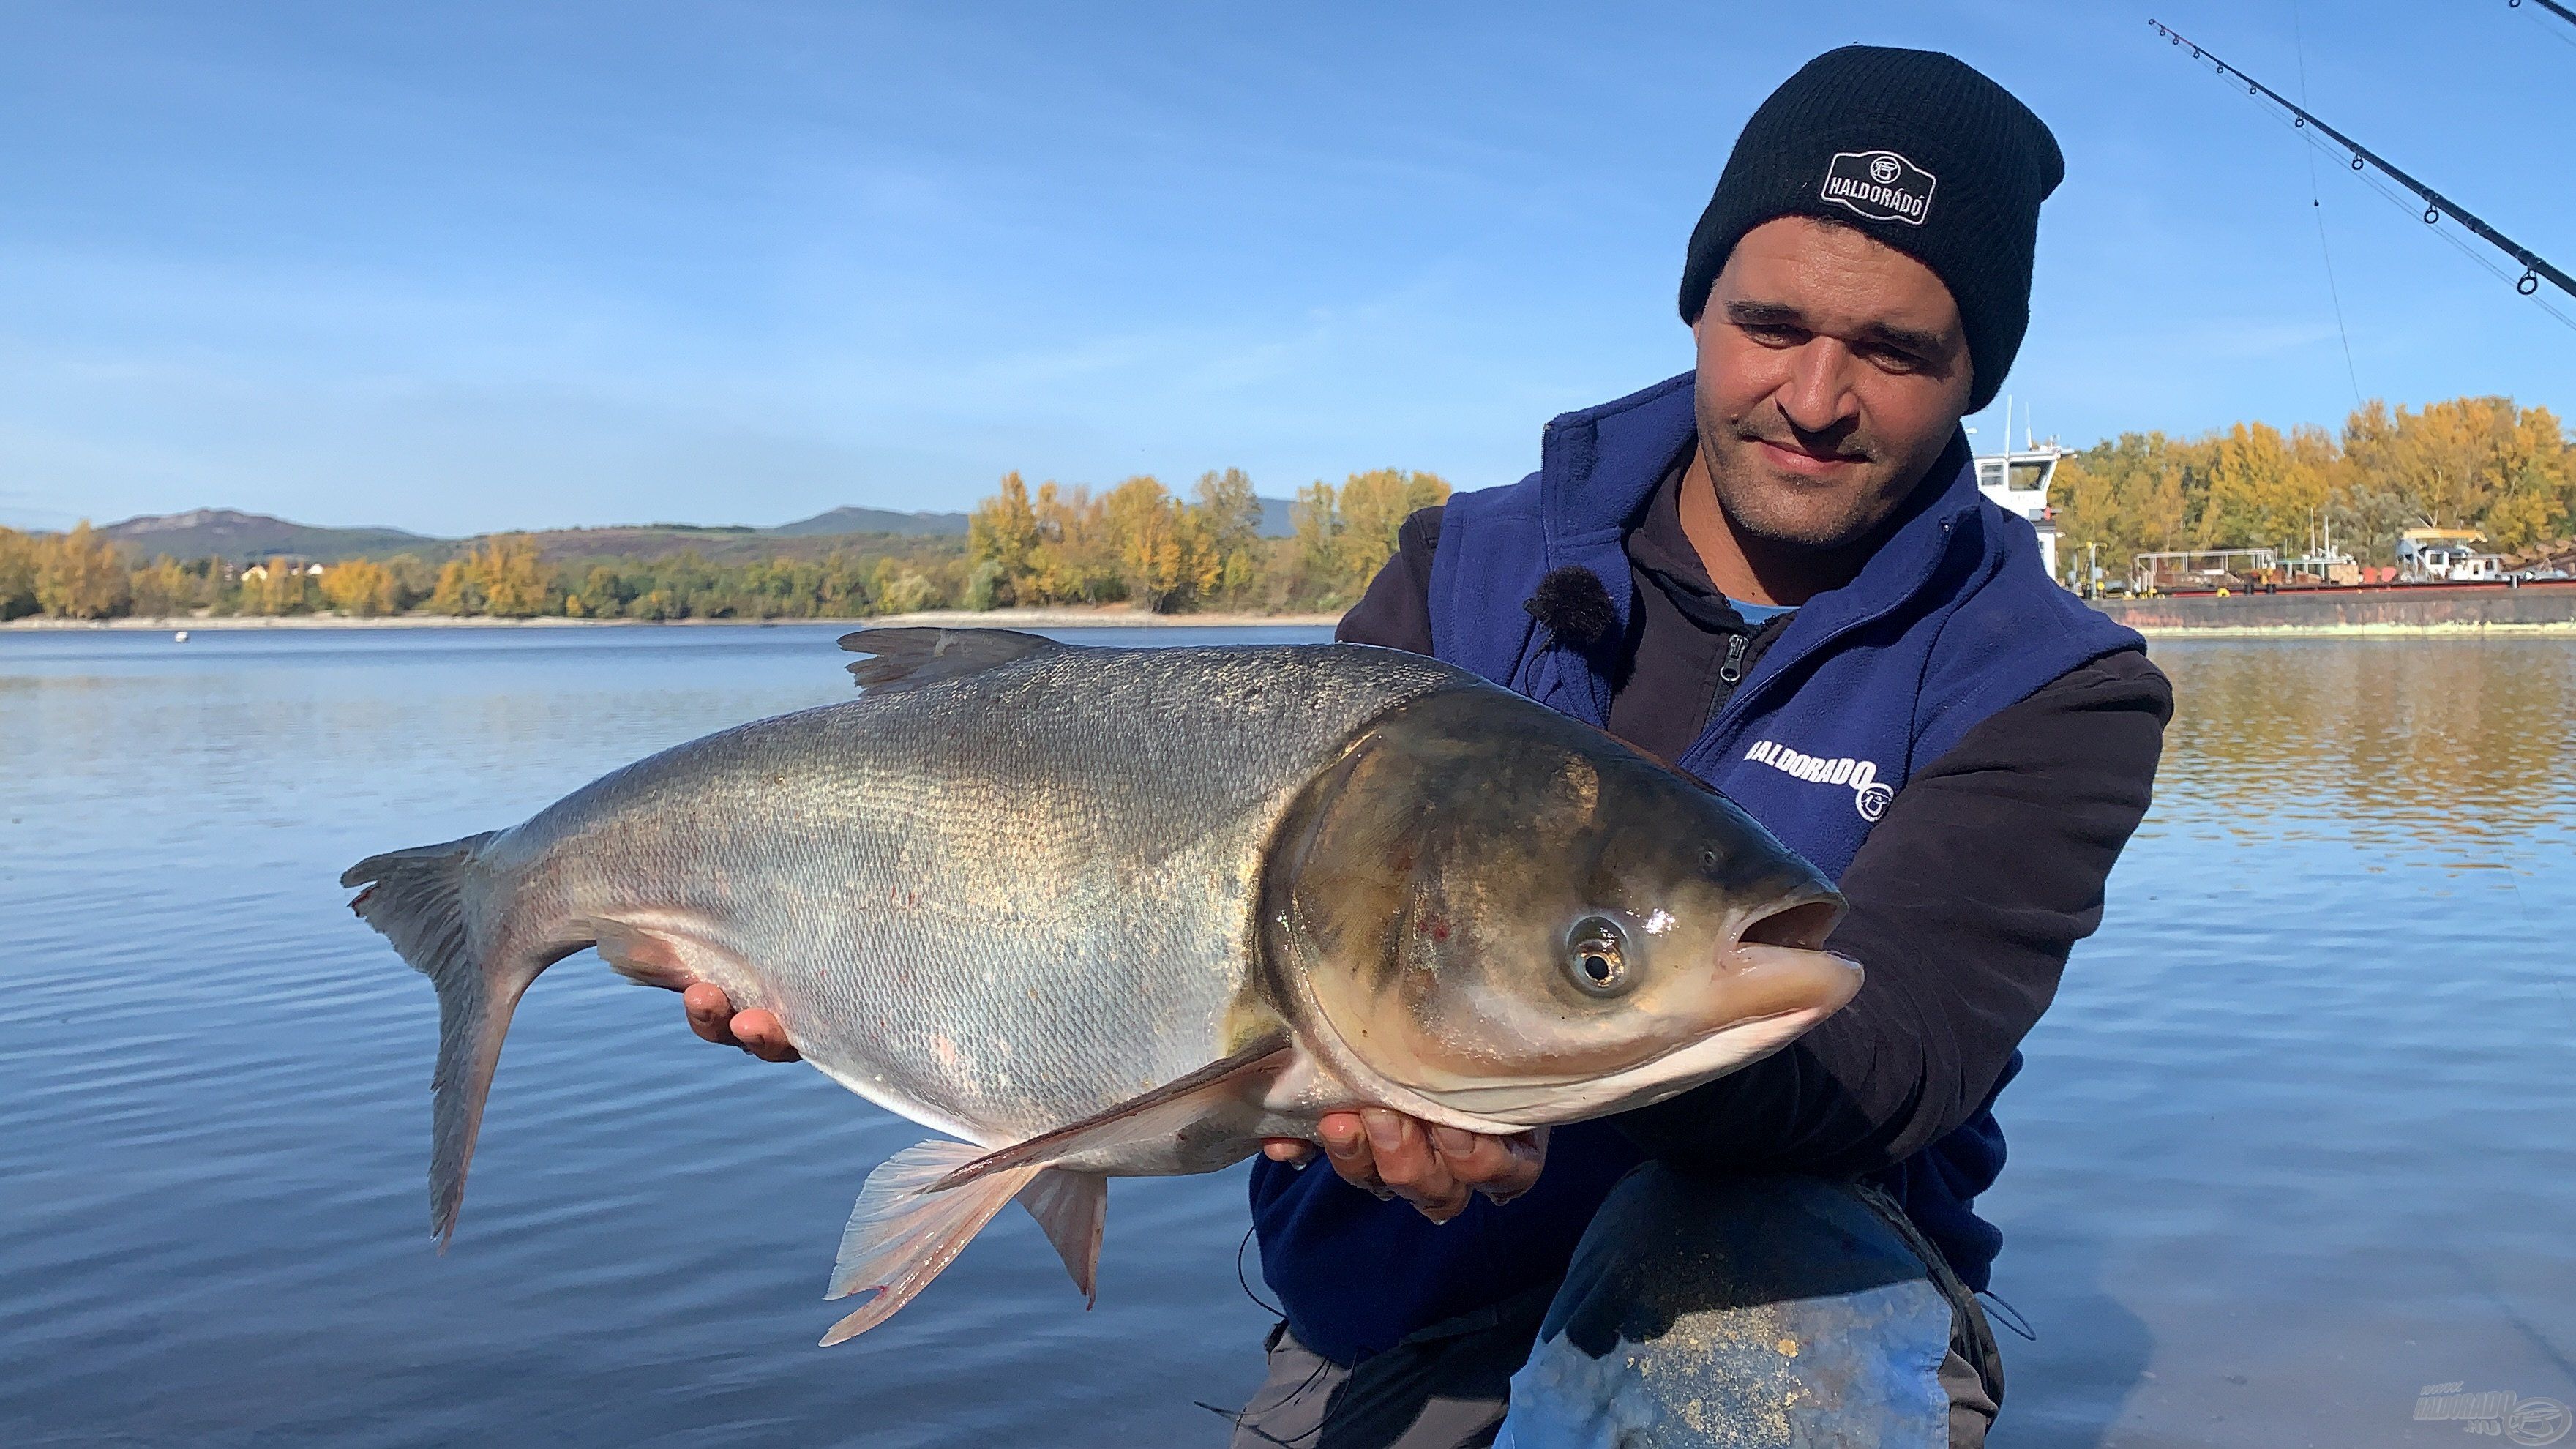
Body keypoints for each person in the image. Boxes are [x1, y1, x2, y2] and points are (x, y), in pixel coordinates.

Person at [682, 45, 2170, 1448]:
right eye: (1770, 324)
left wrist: (1484, 1059)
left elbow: (1890, 1055)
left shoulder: (2049, 684)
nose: (1814, 395)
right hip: (1389, 1312)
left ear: (1976, 371)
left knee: (1737, 1272)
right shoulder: (1457, 568)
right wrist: (859, 964)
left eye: (1893, 350)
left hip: (1781, 1330)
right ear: (1698, 306)